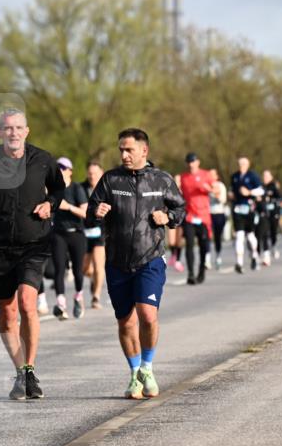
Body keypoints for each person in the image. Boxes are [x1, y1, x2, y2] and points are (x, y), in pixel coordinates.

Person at [0, 108, 63, 401]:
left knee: (27, 303)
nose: (14, 133)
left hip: (34, 243)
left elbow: (59, 189)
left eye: (19, 128)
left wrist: (50, 204)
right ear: (0, 132)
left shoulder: (42, 159)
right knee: (7, 313)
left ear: (27, 131)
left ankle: (30, 369)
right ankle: (20, 372)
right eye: (8, 128)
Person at [86, 128, 185, 399]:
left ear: (144, 150)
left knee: (148, 315)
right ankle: (134, 374)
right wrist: (96, 212)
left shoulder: (161, 179)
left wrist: (168, 218)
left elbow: (180, 209)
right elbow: (90, 213)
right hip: (117, 261)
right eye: (121, 150)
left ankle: (147, 368)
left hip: (150, 258)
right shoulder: (111, 179)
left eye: (129, 150)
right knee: (126, 322)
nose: (124, 155)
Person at [51, 156, 89, 318]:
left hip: (76, 234)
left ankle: (78, 296)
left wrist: (68, 207)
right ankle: (61, 304)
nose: (60, 171)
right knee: (59, 269)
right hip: (58, 234)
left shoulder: (76, 189)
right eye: (57, 168)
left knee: (77, 271)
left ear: (70, 171)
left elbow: (85, 213)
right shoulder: (53, 189)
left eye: (63, 168)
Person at [179, 152, 212, 284]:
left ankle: (201, 270)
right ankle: (191, 274)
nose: (191, 164)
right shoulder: (183, 177)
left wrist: (208, 188)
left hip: (203, 217)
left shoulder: (206, 174)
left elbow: (216, 190)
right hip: (189, 216)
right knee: (189, 245)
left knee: (204, 246)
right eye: (189, 162)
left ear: (198, 162)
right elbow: (180, 194)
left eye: (193, 161)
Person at [230, 156, 263, 273]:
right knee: (239, 235)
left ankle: (254, 255)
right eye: (240, 164)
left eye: (243, 164)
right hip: (237, 209)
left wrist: (249, 192)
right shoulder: (234, 176)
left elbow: (261, 190)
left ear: (248, 165)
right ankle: (239, 262)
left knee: (250, 235)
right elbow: (232, 190)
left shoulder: (252, 176)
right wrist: (231, 194)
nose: (241, 166)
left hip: (249, 209)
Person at [81, 161, 106, 308]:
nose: (92, 176)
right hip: (84, 230)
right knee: (85, 269)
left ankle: (96, 296)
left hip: (100, 231)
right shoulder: (81, 188)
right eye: (90, 173)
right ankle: (93, 278)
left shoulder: (106, 188)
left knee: (98, 264)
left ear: (101, 173)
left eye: (95, 173)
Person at [256, 170, 282, 266]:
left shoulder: (274, 186)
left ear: (271, 177)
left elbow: (280, 197)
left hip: (273, 213)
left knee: (273, 231)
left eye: (267, 176)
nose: (265, 178)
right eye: (264, 176)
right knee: (263, 233)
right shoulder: (260, 187)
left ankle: (274, 246)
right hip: (264, 214)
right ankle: (263, 254)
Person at [208, 168, 228, 270]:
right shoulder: (205, 185)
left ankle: (218, 256)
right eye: (209, 174)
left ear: (217, 176)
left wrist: (216, 193)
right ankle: (207, 259)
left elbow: (223, 200)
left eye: (213, 174)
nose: (211, 176)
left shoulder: (221, 185)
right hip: (208, 214)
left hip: (219, 214)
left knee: (217, 237)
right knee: (206, 236)